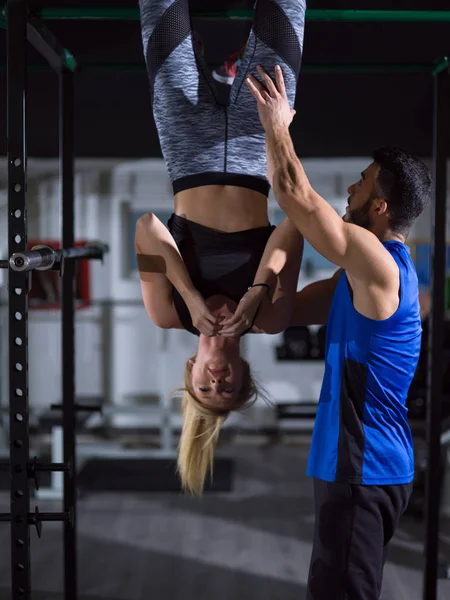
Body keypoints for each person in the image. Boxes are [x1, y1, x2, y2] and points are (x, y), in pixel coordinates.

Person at [246, 66, 431, 599]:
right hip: (354, 468)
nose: (350, 186)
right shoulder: (357, 278)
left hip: (364, 469)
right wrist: (247, 293)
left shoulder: (379, 265)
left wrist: (276, 124)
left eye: (363, 179)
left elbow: (294, 194)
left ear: (379, 207)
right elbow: (278, 317)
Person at [137, 0, 307, 495]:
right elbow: (294, 228)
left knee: (161, 10)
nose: (217, 380)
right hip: (257, 148)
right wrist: (258, 290)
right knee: (286, 8)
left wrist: (189, 295)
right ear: (244, 373)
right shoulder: (269, 318)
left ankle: (223, 69)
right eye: (227, 388)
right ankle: (232, 70)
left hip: (187, 149)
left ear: (190, 373)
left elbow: (148, 226)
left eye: (205, 388)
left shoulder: (167, 312)